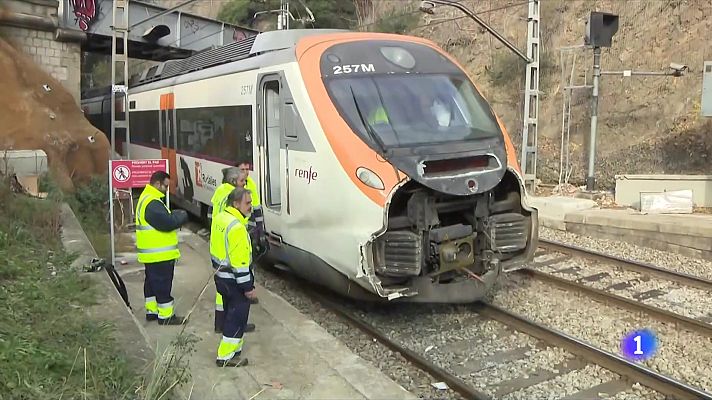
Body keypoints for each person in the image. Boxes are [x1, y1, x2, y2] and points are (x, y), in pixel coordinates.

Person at [210, 187, 257, 367]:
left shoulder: (220, 219)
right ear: (236, 204)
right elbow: (241, 263)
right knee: (237, 317)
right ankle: (225, 356)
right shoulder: (236, 227)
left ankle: (235, 349)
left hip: (220, 276)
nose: (250, 206)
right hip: (234, 280)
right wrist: (248, 288)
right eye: (247, 203)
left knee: (231, 312)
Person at [135, 170, 189, 325]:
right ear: (157, 184)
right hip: (160, 254)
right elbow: (168, 223)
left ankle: (152, 311)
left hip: (151, 253)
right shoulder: (152, 202)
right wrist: (182, 216)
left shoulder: (147, 199)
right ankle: (166, 316)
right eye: (165, 186)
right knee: (162, 285)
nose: (166, 190)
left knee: (151, 284)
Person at [235, 157, 267, 259]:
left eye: (247, 169)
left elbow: (256, 207)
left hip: (249, 229)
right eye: (242, 170)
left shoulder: (251, 183)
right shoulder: (231, 186)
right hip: (236, 230)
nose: (245, 172)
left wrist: (260, 231)